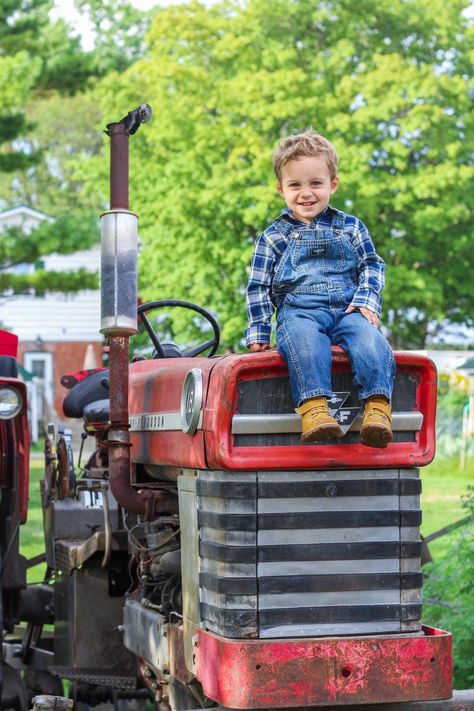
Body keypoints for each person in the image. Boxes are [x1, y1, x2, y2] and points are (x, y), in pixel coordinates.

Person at [245, 130, 395, 448]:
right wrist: (258, 331)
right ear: (281, 188)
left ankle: (378, 409)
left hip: (347, 307)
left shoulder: (351, 227)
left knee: (372, 343)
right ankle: (315, 410)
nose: (306, 193)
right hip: (300, 310)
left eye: (316, 183)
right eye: (295, 185)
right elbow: (258, 285)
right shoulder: (273, 237)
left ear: (333, 185)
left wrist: (367, 299)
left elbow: (372, 264)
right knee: (304, 343)